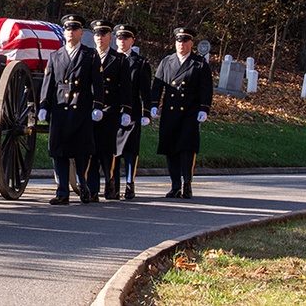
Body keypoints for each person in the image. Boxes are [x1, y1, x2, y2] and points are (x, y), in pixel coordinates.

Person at [38, 14, 101, 205]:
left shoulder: (90, 55)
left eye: (74, 29)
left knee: (81, 153)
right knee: (60, 152)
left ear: (81, 33)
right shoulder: (55, 56)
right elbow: (48, 84)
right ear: (64, 33)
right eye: (67, 29)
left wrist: (97, 106)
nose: (71, 32)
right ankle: (62, 192)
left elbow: (96, 84)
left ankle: (84, 186)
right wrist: (43, 105)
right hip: (60, 109)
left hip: (81, 108)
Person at [147, 27, 214, 199]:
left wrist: (204, 108)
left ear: (191, 43)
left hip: (189, 112)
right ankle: (175, 184)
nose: (181, 44)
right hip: (170, 112)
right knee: (171, 149)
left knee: (187, 149)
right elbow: (158, 84)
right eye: (178, 41)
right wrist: (154, 104)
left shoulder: (198, 63)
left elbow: (206, 89)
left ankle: (187, 184)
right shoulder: (167, 61)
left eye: (185, 41)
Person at [89, 18, 132, 200]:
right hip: (91, 111)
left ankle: (110, 183)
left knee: (108, 152)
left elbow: (126, 88)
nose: (100, 38)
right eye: (97, 34)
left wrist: (126, 110)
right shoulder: (88, 57)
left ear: (110, 37)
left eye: (103, 34)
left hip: (111, 110)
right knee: (91, 151)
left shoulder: (119, 59)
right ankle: (92, 189)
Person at [113, 24, 153, 200]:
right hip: (114, 110)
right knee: (113, 149)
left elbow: (145, 90)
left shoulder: (140, 63)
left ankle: (130, 183)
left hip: (133, 111)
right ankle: (112, 183)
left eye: (126, 38)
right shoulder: (110, 59)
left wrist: (146, 113)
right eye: (120, 38)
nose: (122, 42)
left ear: (132, 41)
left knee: (130, 149)